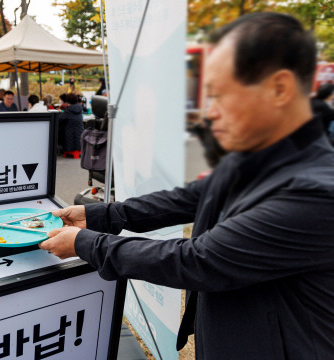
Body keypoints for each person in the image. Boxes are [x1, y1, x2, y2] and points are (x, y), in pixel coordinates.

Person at [40, 13, 334, 359]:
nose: (208, 114)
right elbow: (189, 198)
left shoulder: (316, 191)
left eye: (220, 95)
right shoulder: (260, 150)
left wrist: (87, 244)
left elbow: (200, 261)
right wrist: (101, 215)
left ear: (280, 89)